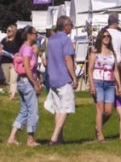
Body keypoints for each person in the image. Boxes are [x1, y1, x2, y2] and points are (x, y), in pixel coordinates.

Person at [7, 26, 42, 147]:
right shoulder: (27, 48)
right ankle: (30, 140)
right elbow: (27, 66)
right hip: (27, 82)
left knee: (24, 111)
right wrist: (35, 83)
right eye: (35, 33)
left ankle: (12, 137)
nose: (36, 35)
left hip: (21, 82)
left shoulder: (22, 47)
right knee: (33, 111)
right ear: (29, 35)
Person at [44, 16, 76, 145]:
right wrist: (74, 76)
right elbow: (68, 59)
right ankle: (54, 138)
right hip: (64, 78)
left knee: (58, 109)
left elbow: (46, 59)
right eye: (71, 25)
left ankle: (59, 138)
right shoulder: (66, 39)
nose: (72, 27)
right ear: (65, 26)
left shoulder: (50, 40)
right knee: (66, 109)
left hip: (52, 78)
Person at [87, 28, 121, 141]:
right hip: (98, 82)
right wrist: (91, 84)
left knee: (108, 111)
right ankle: (100, 135)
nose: (106, 38)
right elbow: (90, 69)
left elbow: (115, 70)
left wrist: (119, 86)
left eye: (108, 36)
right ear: (100, 38)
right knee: (100, 109)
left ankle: (98, 126)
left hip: (110, 84)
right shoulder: (95, 52)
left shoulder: (113, 54)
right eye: (104, 36)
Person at [0, 25, 20, 100]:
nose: (7, 32)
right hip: (4, 62)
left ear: (14, 31)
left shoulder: (17, 41)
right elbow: (0, 49)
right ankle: (10, 93)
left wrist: (17, 54)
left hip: (14, 63)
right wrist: (0, 51)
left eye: (9, 31)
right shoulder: (4, 40)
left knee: (13, 80)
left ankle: (13, 95)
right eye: (7, 31)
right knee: (8, 80)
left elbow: (20, 51)